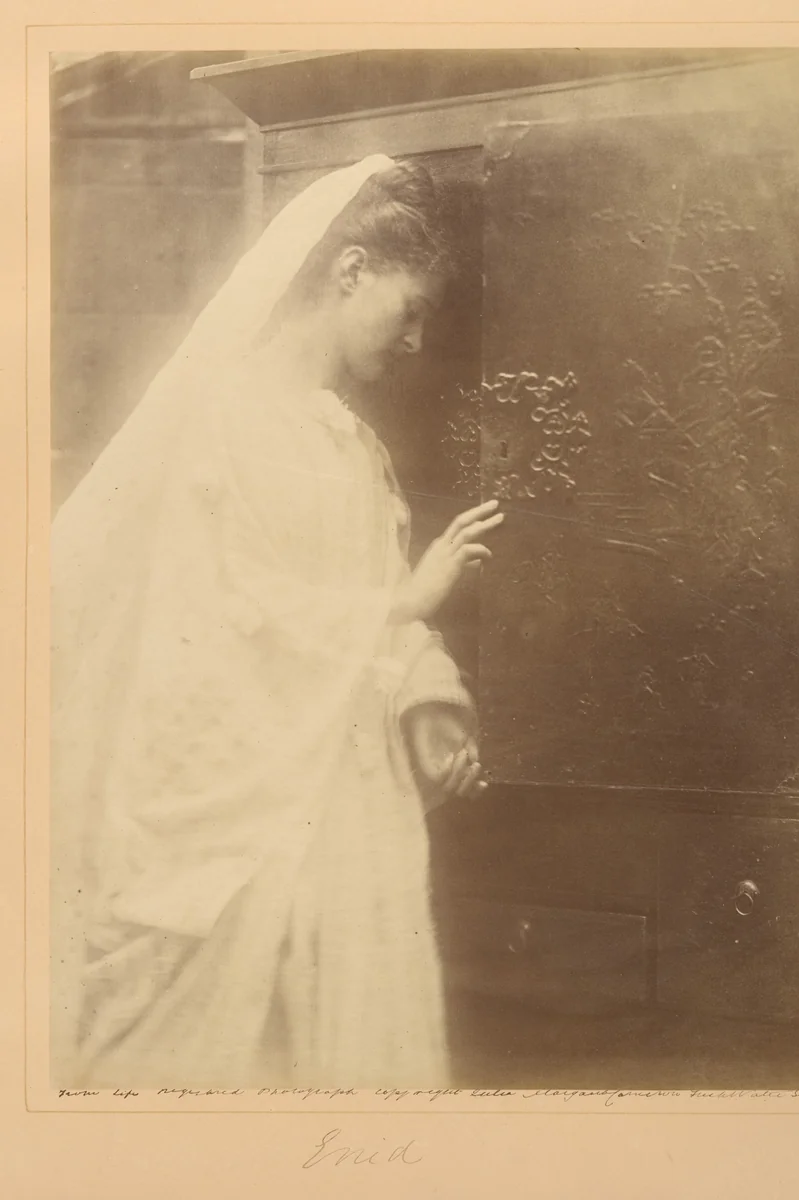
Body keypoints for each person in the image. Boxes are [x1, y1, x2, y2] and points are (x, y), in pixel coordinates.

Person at [50, 154, 503, 1090]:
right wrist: (401, 604)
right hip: (236, 820)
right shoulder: (217, 421)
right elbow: (214, 621)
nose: (416, 341)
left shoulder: (353, 447)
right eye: (409, 308)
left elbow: (390, 617)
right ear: (349, 273)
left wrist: (428, 707)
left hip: (352, 819)